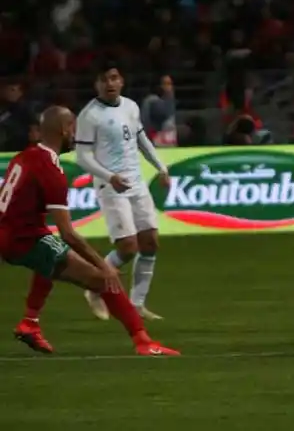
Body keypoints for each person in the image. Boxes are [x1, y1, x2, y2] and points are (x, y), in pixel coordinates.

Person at [3, 106, 178, 356]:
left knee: (51, 257)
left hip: (10, 234)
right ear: (64, 129)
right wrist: (102, 265)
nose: (75, 134)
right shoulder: (51, 170)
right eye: (73, 128)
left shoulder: (23, 157)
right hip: (24, 239)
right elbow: (68, 233)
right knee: (101, 280)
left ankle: (30, 323)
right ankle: (143, 341)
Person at [74, 63, 171, 321]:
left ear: (122, 81)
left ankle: (137, 304)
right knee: (128, 248)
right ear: (96, 84)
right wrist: (109, 176)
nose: (110, 83)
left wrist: (161, 167)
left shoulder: (130, 106)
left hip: (137, 183)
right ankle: (93, 288)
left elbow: (141, 139)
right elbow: (82, 156)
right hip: (111, 186)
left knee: (150, 243)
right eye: (104, 79)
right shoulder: (89, 115)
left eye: (114, 78)